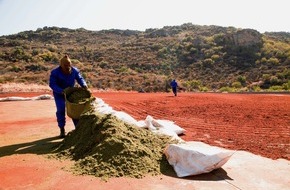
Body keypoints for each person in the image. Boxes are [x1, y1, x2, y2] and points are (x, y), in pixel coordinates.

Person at [49, 55, 88, 138]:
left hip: (71, 93)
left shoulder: (74, 71)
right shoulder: (55, 72)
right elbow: (52, 84)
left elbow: (80, 78)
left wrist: (84, 85)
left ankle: (77, 128)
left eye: (69, 65)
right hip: (59, 94)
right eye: (65, 66)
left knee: (75, 109)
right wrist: (61, 91)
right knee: (61, 109)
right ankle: (62, 129)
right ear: (61, 65)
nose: (67, 67)